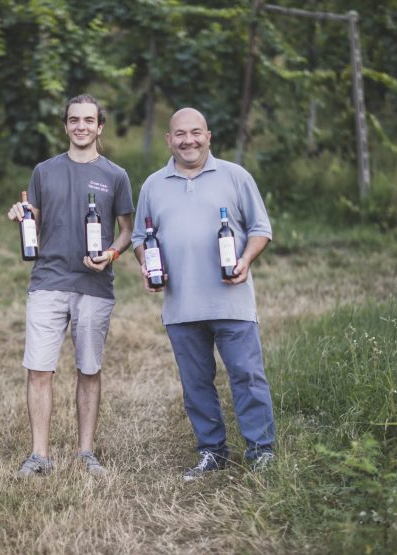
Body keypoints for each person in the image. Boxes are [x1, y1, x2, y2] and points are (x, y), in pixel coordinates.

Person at [131, 107, 276, 480]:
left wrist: (244, 260)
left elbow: (261, 229)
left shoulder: (235, 176)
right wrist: (148, 266)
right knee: (196, 384)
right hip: (180, 305)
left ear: (208, 136)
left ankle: (261, 450)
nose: (188, 140)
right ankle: (213, 452)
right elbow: (138, 239)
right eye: (180, 134)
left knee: (246, 375)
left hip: (232, 301)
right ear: (169, 140)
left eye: (196, 133)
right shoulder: (153, 184)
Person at [7, 94, 134, 476]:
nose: (81, 126)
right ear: (65, 126)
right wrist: (21, 215)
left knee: (89, 369)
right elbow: (36, 217)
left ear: (100, 127)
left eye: (89, 120)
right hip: (47, 281)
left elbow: (127, 231)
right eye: (74, 120)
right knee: (39, 369)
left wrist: (110, 255)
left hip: (94, 286)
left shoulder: (116, 175)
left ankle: (85, 453)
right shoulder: (44, 171)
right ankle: (39, 455)